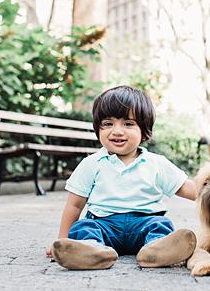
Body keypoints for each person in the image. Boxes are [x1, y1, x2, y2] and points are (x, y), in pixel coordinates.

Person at [46, 85, 198, 270]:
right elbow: (74, 205)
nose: (117, 131)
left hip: (144, 222)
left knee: (161, 225)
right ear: (98, 128)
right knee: (83, 227)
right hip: (103, 225)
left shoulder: (156, 163)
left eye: (128, 124)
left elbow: (187, 188)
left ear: (144, 129)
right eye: (108, 124)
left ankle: (157, 251)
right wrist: (61, 241)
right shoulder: (92, 163)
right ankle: (92, 251)